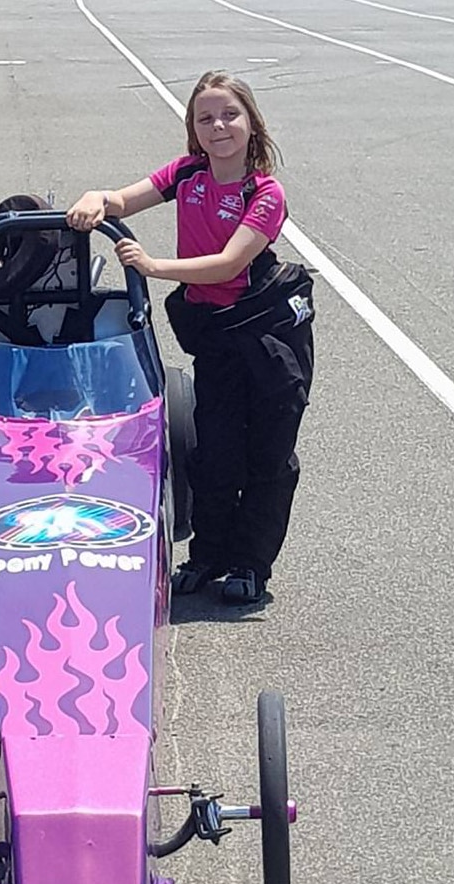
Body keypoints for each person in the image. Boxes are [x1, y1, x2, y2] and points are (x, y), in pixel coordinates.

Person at [66, 70, 314, 605]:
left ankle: (250, 567)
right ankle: (207, 558)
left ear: (251, 124)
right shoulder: (187, 175)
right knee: (214, 452)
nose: (218, 126)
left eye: (229, 115)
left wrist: (155, 267)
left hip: (269, 339)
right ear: (193, 130)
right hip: (218, 338)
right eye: (206, 118)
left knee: (267, 458)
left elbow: (229, 264)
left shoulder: (265, 193)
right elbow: (123, 200)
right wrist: (95, 198)